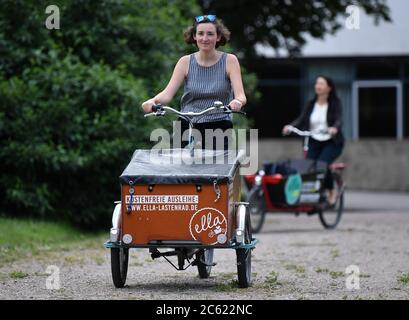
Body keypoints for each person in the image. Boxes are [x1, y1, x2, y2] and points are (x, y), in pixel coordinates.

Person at [141, 14, 246, 150]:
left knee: (215, 168)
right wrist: (153, 101)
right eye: (200, 34)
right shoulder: (185, 62)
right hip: (187, 123)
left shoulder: (230, 61)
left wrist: (237, 102)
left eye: (210, 34)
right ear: (194, 36)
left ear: (218, 37)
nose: (205, 38)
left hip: (218, 125)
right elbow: (167, 94)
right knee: (181, 167)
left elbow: (241, 95)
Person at [282, 75, 345, 206]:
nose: (318, 86)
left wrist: (334, 128)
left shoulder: (335, 103)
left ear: (329, 88)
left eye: (321, 84)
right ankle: (312, 194)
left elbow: (339, 119)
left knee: (322, 164)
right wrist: (290, 127)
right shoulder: (311, 103)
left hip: (331, 141)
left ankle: (331, 190)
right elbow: (302, 119)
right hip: (314, 139)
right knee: (309, 165)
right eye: (317, 83)